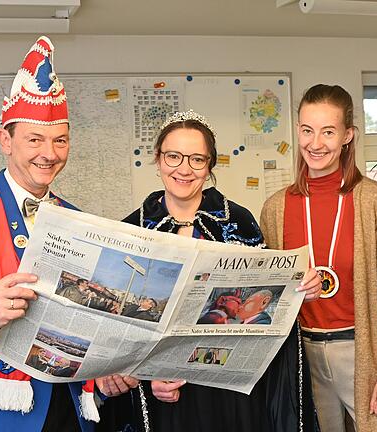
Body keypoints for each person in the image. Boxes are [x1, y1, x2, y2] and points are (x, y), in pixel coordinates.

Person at [97, 109, 320, 432]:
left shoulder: (239, 221)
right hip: (164, 393)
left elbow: (265, 309)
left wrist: (300, 287)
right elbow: (120, 330)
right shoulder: (132, 230)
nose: (184, 169)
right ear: (158, 160)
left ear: (210, 165)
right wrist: (148, 379)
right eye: (174, 156)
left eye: (197, 159)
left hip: (229, 393)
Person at [0, 36, 134, 432]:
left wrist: (108, 374)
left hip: (69, 411)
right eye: (34, 139)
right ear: (6, 140)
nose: (49, 154)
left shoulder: (79, 219)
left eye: (60, 140)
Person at [260, 83, 377, 432]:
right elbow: (268, 292)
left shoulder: (374, 200)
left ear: (348, 135)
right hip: (303, 354)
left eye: (328, 132)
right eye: (307, 131)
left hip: (363, 350)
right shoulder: (276, 208)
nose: (315, 143)